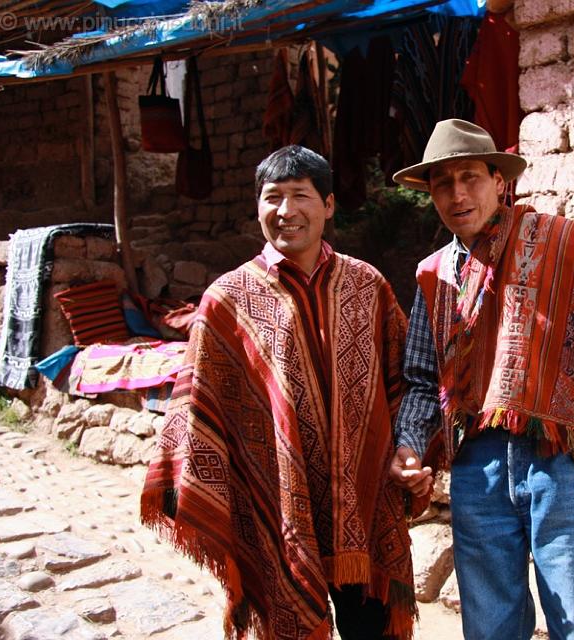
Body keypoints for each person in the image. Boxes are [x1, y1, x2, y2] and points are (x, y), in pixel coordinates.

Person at [389, 119, 574, 640]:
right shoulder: (433, 276)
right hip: (477, 470)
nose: (457, 194)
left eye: (470, 177)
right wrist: (409, 446)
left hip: (560, 462)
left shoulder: (562, 250)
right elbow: (424, 382)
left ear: (498, 180)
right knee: (491, 629)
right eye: (442, 183)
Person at [141, 145, 416, 640]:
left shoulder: (367, 285)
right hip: (278, 502)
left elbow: (402, 383)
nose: (285, 212)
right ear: (257, 205)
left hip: (363, 500)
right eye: (272, 198)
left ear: (329, 205)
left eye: (300, 196)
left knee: (371, 628)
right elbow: (203, 404)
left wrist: (410, 452)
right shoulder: (227, 299)